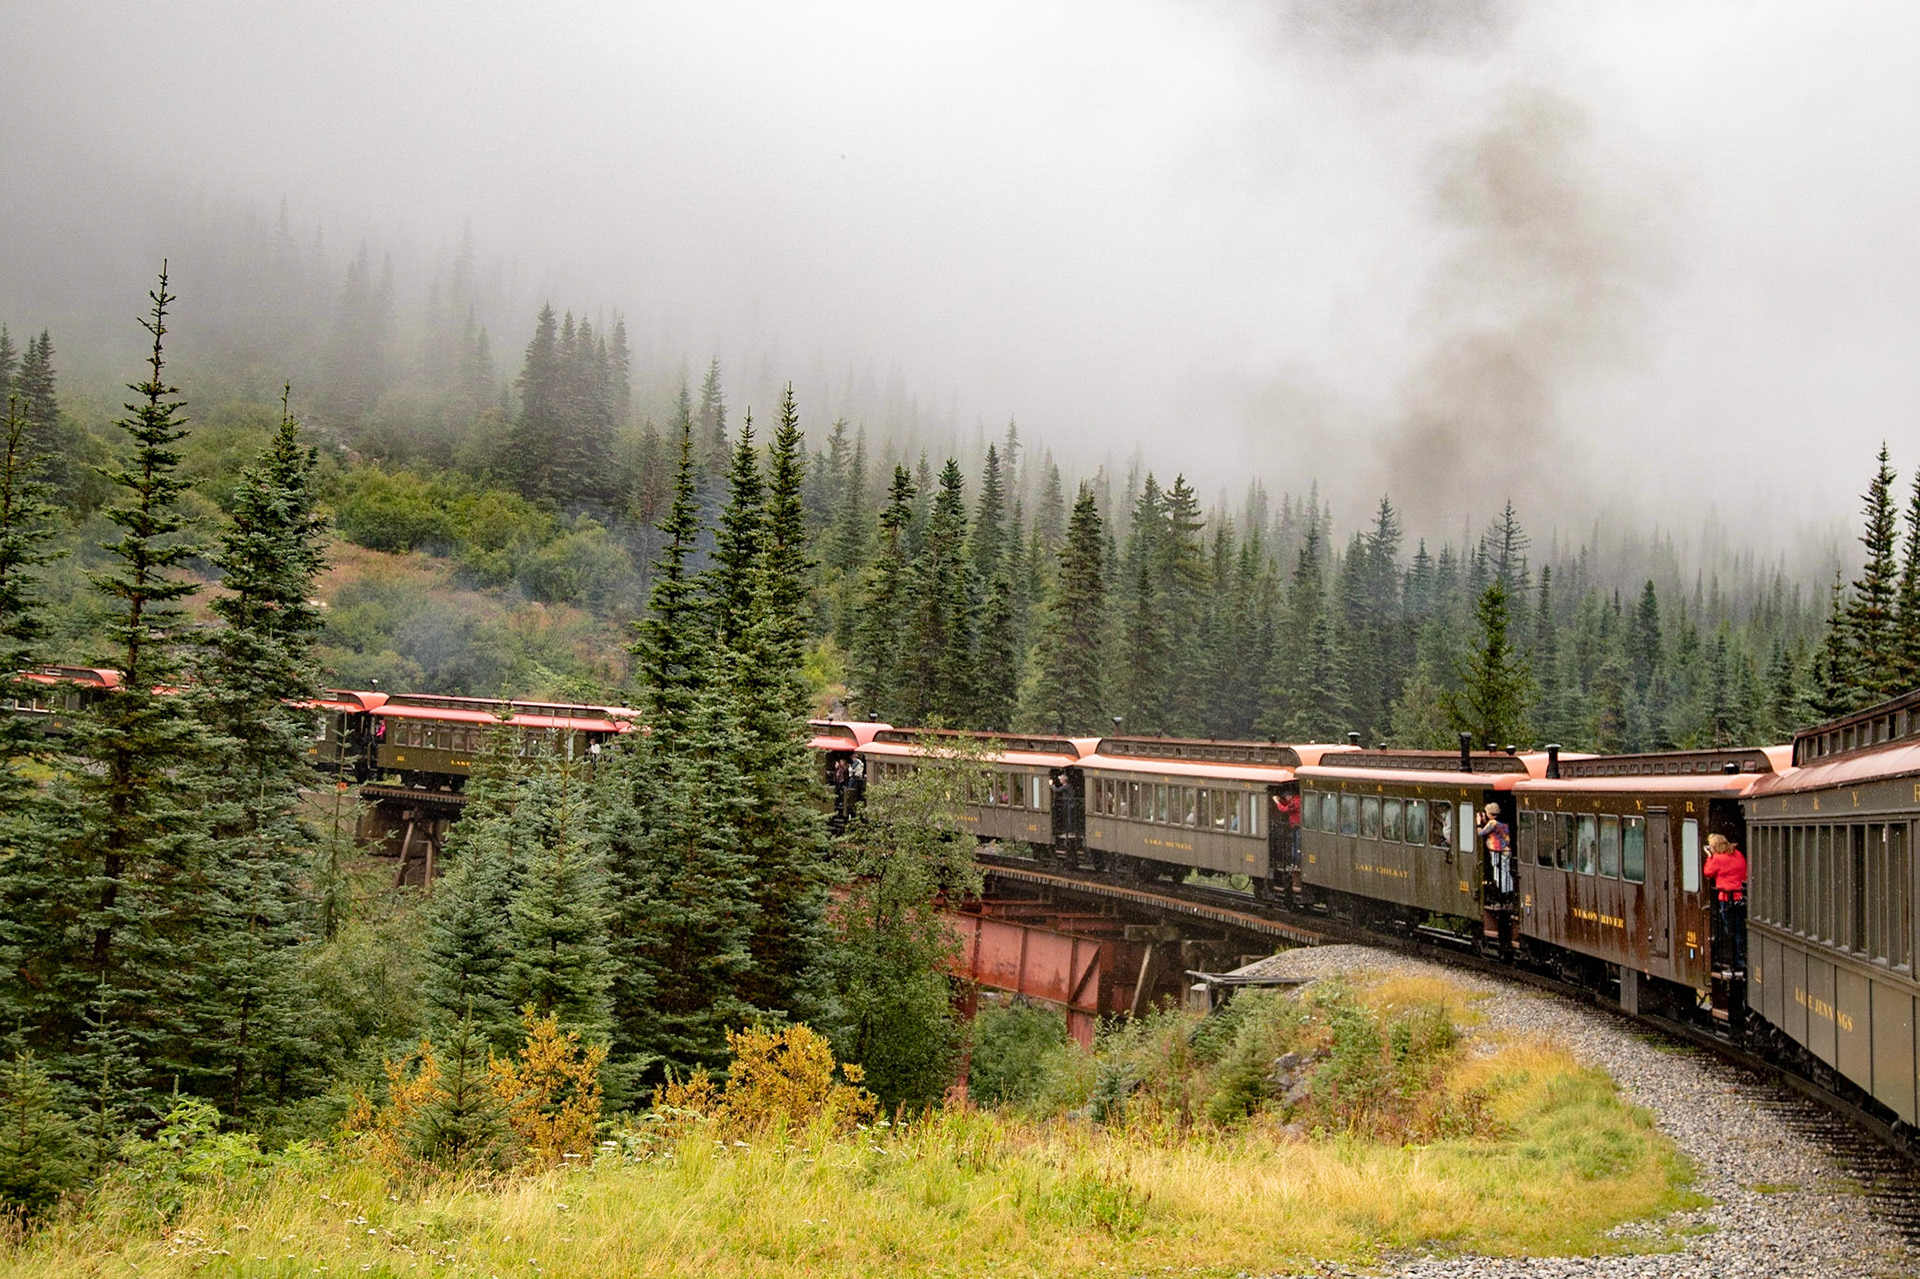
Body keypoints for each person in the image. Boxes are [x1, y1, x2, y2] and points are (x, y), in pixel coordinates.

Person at [1702, 833, 1748, 972]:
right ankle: (1740, 958)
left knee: (1730, 930)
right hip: (1739, 897)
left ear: (1714, 847)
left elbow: (1708, 872)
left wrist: (1709, 857)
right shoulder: (1738, 855)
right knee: (1739, 929)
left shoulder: (1717, 859)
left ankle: (1735, 961)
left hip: (1726, 899)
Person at [1477, 803, 1513, 900]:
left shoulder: (1492, 823)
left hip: (1497, 851)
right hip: (1506, 850)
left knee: (1498, 872)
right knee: (1506, 872)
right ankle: (1508, 892)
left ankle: (1501, 894)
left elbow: (1481, 833)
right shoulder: (1502, 823)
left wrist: (1478, 823)